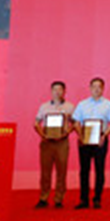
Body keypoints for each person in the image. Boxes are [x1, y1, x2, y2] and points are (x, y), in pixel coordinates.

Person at [71, 77, 110, 209]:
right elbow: (76, 122)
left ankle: (97, 199)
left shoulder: (109, 104)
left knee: (99, 170)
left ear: (103, 88)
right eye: (94, 86)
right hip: (85, 139)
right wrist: (80, 135)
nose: (96, 89)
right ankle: (84, 199)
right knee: (84, 170)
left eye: (99, 87)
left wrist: (104, 135)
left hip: (100, 139)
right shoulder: (82, 104)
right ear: (90, 88)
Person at [34, 80, 74, 209]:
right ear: (51, 91)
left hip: (62, 142)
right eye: (54, 89)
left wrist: (67, 132)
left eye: (60, 89)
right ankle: (43, 198)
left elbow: (75, 123)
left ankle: (59, 199)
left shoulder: (70, 107)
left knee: (61, 171)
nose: (57, 92)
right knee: (45, 172)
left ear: (64, 91)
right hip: (47, 142)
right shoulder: (44, 107)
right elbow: (36, 123)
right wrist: (42, 134)